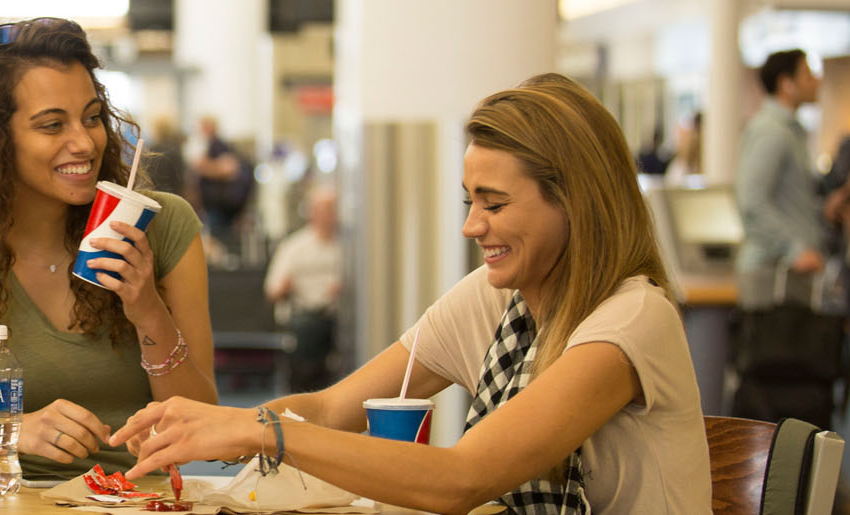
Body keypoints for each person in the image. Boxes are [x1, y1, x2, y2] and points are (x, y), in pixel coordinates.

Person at [111, 73, 710, 514]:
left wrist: (259, 433)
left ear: (575, 203)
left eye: (495, 204)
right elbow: (331, 409)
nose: (472, 226)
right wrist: (225, 420)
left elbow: (463, 478)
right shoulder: (495, 299)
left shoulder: (632, 319)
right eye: (469, 201)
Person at [0, 17, 218, 481]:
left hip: (143, 501)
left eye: (92, 117)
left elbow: (203, 424)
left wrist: (147, 309)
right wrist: (11, 433)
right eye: (52, 125)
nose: (85, 142)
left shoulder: (161, 224)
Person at [735, 49, 824, 306]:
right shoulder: (772, 132)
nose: (817, 81)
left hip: (787, 277)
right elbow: (751, 201)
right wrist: (794, 249)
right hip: (772, 277)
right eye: (808, 74)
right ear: (786, 84)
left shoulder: (790, 132)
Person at [264, 187, 342, 393]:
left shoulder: (345, 247)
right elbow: (272, 290)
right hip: (305, 318)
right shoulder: (294, 247)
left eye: (331, 209)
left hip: (338, 318)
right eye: (322, 209)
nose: (327, 215)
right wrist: (286, 288)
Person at [193, 115, 254, 254]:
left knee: (221, 242)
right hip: (216, 205)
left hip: (220, 206)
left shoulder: (218, 145)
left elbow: (229, 168)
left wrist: (204, 167)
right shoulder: (210, 146)